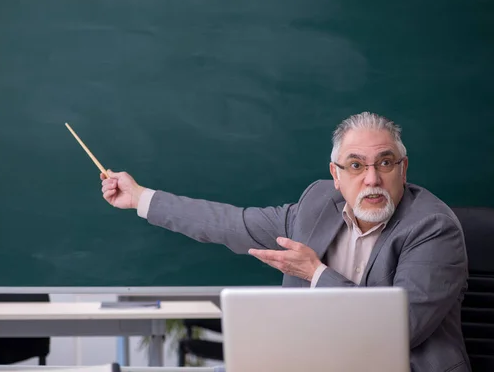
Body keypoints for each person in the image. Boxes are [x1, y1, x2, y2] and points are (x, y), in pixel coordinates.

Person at [100, 112, 470, 372]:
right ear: (336, 176)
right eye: (356, 165)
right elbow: (230, 224)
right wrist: (140, 198)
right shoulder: (316, 205)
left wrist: (316, 274)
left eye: (385, 163)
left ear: (403, 169)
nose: (372, 179)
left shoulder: (433, 228)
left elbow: (399, 329)